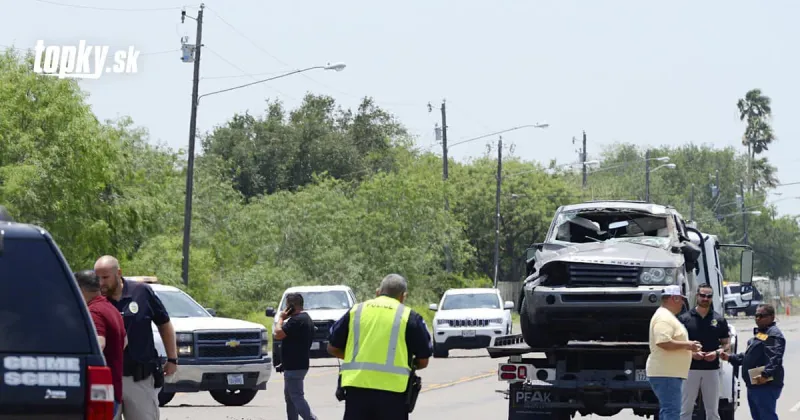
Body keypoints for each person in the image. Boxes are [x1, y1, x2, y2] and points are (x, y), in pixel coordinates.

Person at [327, 274, 432, 420]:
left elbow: (332, 347)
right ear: (403, 296)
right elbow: (423, 361)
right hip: (394, 393)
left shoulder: (356, 311)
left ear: (378, 292)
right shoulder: (410, 317)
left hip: (357, 389)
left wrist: (360, 358)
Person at [95, 255, 177, 420]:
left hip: (139, 379)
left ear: (118, 273)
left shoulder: (141, 292)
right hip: (106, 379)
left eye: (105, 277)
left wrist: (172, 358)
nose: (101, 283)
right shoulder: (94, 299)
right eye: (97, 278)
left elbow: (164, 323)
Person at [75, 269, 127, 420]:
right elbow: (125, 341)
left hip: (98, 393)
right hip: (113, 390)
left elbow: (98, 345)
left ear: (79, 289)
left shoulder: (94, 312)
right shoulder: (111, 309)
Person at [646, 285, 702, 420]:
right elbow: (663, 342)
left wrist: (690, 353)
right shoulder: (664, 318)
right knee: (672, 411)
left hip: (668, 373)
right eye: (681, 299)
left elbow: (668, 343)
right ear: (674, 298)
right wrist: (688, 345)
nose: (682, 303)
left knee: (668, 410)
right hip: (666, 373)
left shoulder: (666, 316)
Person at [721, 303, 785, 420]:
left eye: (762, 316)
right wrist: (730, 357)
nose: (758, 318)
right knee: (758, 416)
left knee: (766, 416)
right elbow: (749, 356)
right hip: (754, 384)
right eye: (756, 315)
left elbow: (775, 357)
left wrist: (766, 374)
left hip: (765, 384)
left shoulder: (773, 334)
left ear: (772, 317)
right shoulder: (762, 333)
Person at [678, 283, 730, 420]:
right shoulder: (684, 319)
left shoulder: (719, 320)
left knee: (713, 411)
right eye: (702, 295)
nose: (705, 298)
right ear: (697, 296)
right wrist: (692, 354)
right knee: (685, 410)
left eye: (709, 296)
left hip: (711, 370)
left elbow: (726, 344)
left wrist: (716, 353)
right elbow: (678, 345)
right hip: (690, 369)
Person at [273, 292, 318, 420]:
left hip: (295, 366)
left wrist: (281, 319)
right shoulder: (305, 318)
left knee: (297, 397)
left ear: (291, 306)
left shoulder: (297, 320)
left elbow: (278, 334)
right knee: (290, 398)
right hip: (295, 365)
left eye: (287, 306)